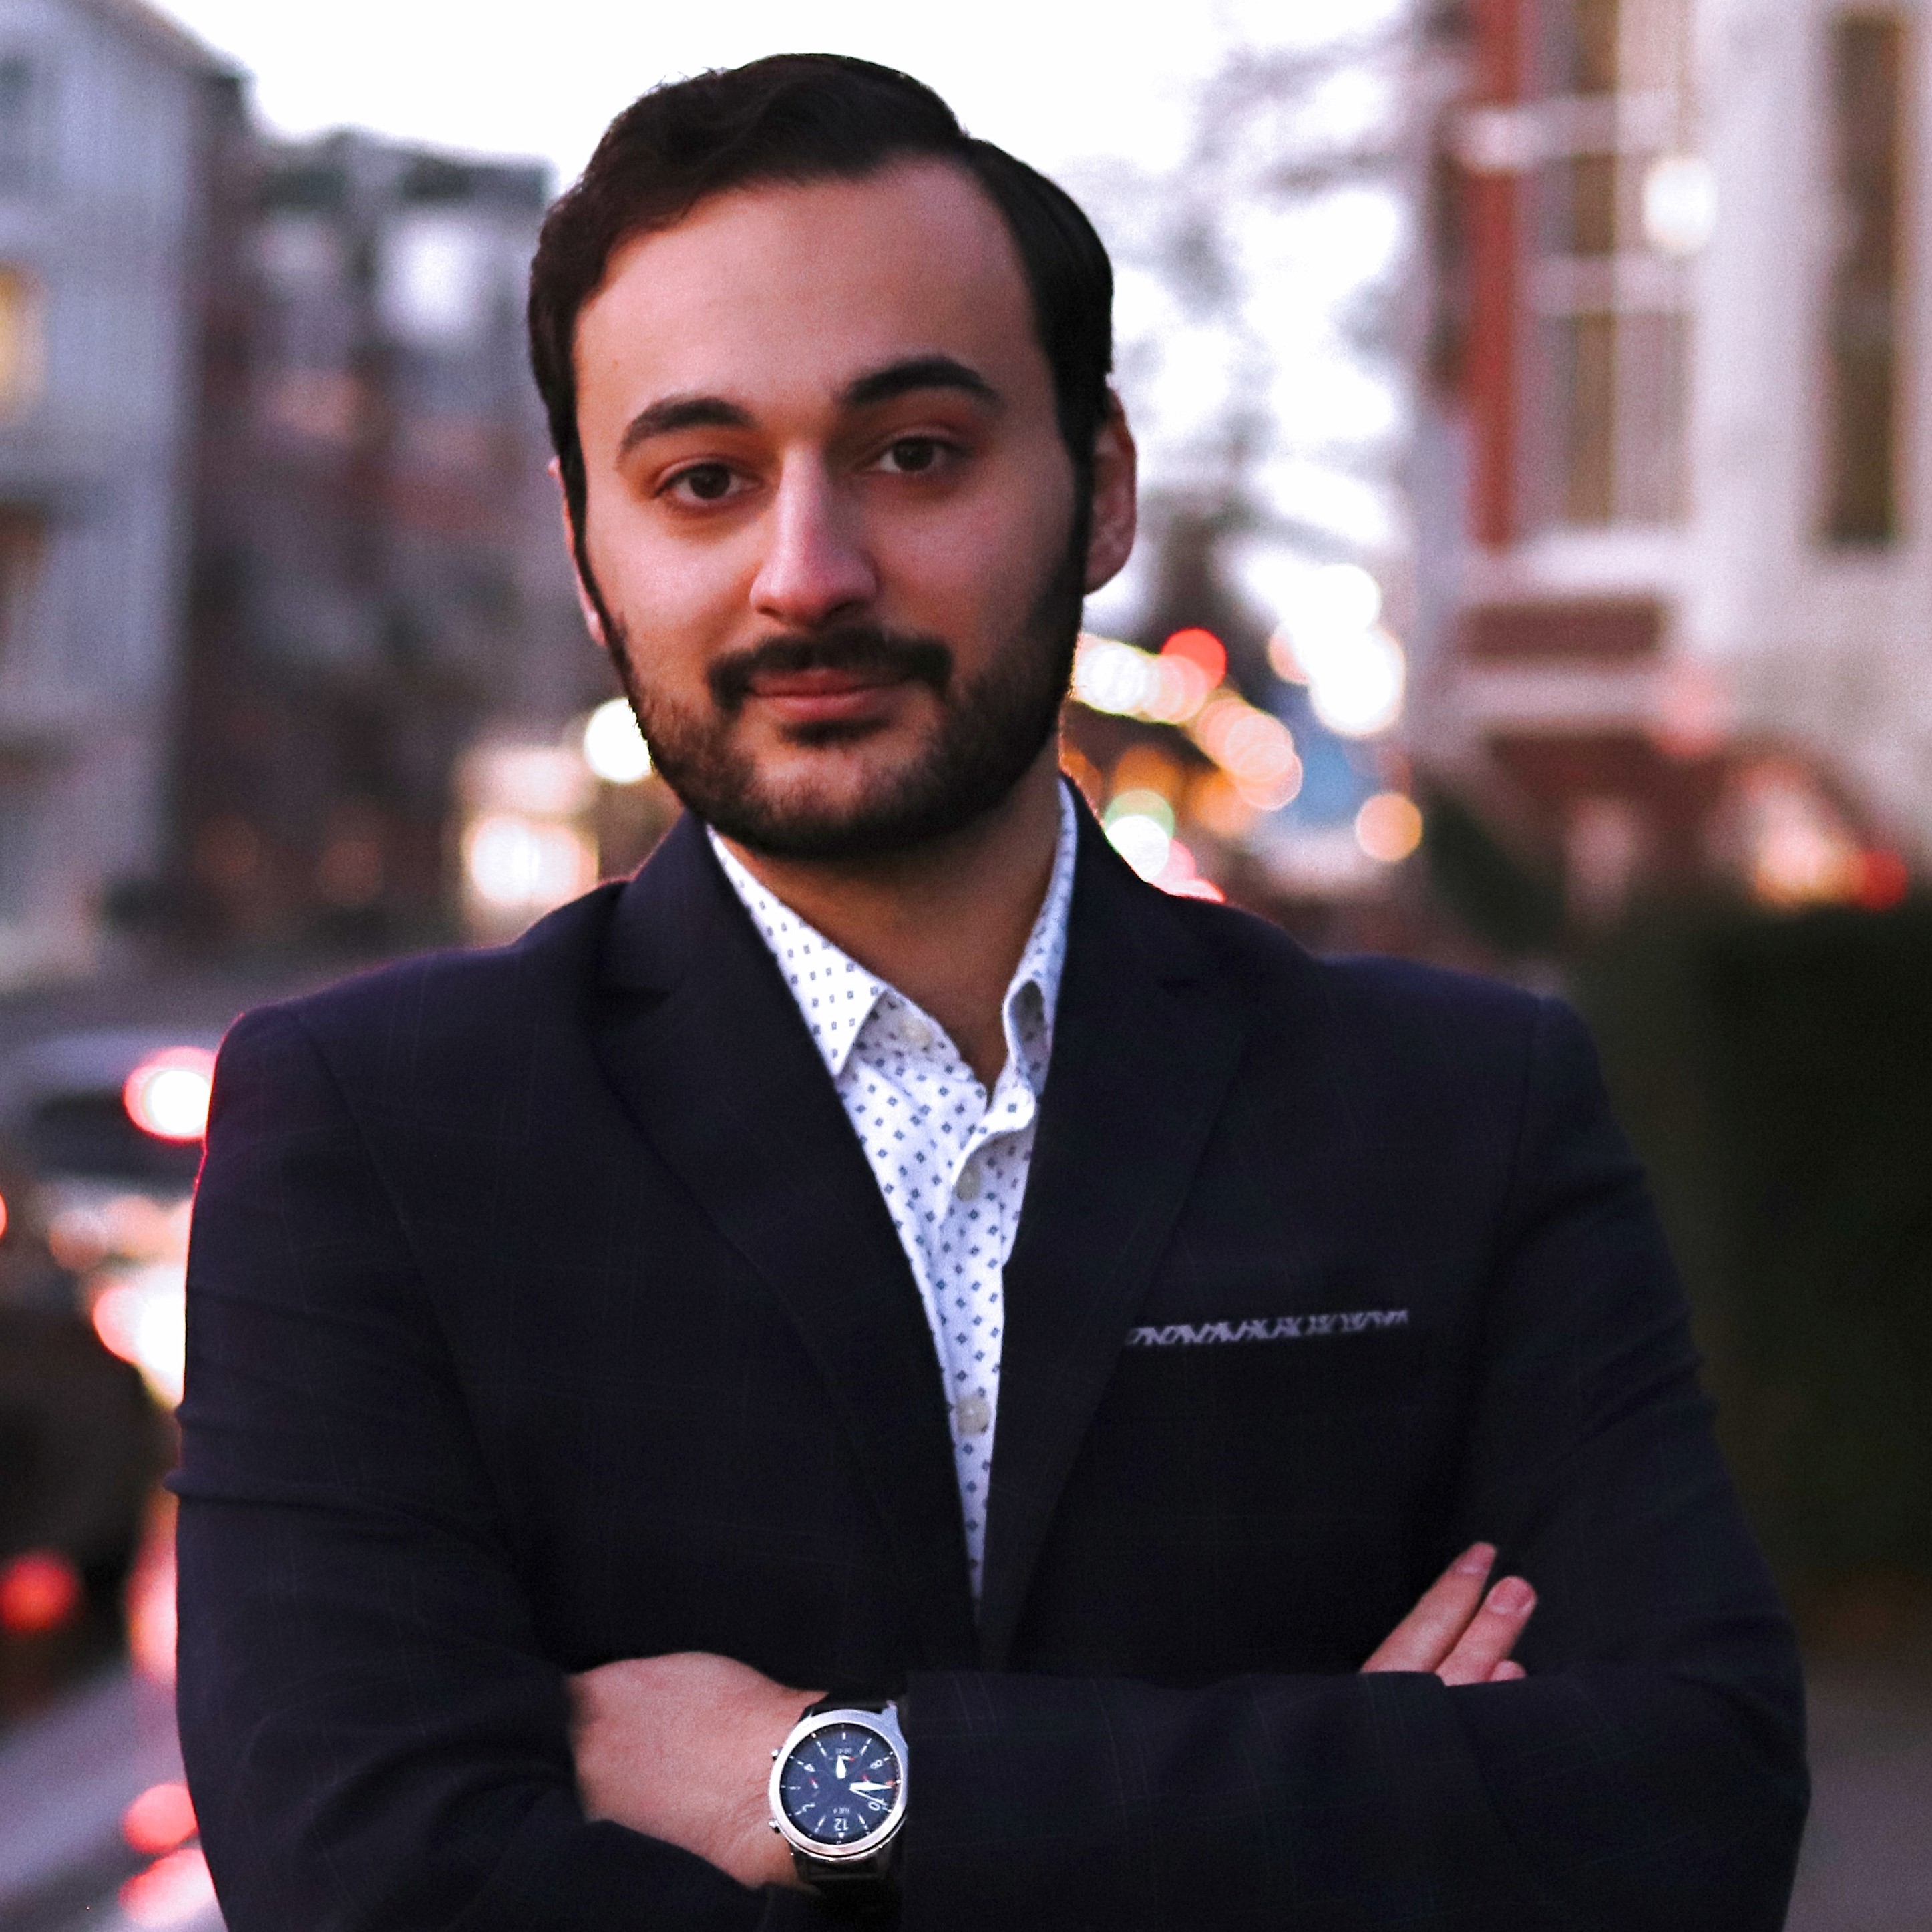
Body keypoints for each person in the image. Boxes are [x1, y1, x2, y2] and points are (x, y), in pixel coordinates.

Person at [174, 53, 1807, 1932]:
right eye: (704, 481)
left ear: (1098, 491)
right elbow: (375, 1895)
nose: (808, 572)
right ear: (587, 549)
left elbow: (1688, 1814)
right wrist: (1356, 1795)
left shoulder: (1463, 1112)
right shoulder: (376, 1141)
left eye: (916, 454)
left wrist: (843, 1788)